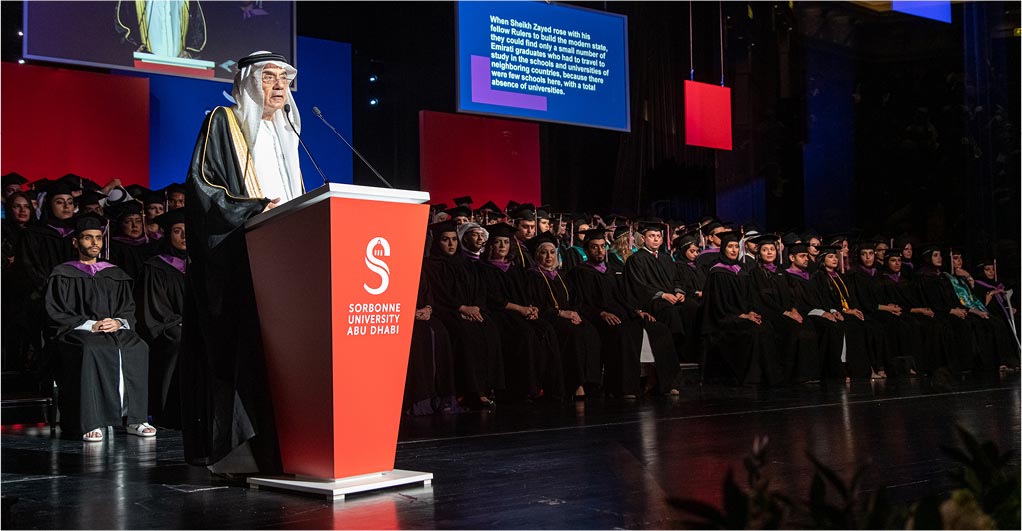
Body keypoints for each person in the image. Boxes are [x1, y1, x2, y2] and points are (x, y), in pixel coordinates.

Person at [182, 51, 304, 474]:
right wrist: (252, 209)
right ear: (249, 81)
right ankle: (241, 451)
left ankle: (288, 443)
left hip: (285, 254)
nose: (278, 86)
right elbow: (203, 188)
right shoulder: (223, 121)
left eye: (284, 79)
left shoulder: (287, 131)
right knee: (243, 352)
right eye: (269, 77)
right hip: (240, 256)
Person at [44, 213, 154, 442]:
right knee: (91, 349)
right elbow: (56, 312)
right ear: (76, 242)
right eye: (87, 237)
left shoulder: (114, 274)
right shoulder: (63, 274)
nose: (94, 242)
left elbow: (127, 308)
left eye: (97, 238)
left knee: (138, 346)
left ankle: (135, 418)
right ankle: (91, 421)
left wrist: (118, 322)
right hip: (78, 332)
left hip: (114, 330)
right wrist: (90, 325)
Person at [567, 228, 679, 397]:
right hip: (598, 319)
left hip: (622, 314)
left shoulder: (611, 271)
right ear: (587, 250)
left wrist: (637, 311)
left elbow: (622, 297)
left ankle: (665, 383)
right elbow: (579, 304)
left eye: (602, 246)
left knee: (659, 329)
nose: (599, 251)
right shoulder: (578, 273)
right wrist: (601, 314)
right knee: (625, 333)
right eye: (594, 247)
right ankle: (626, 388)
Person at [476, 223, 563, 401]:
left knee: (546, 330)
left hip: (520, 312)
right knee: (526, 334)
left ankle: (548, 387)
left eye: (506, 243)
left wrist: (532, 308)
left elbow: (526, 294)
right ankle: (524, 389)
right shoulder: (482, 268)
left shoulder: (516, 269)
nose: (502, 246)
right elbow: (492, 299)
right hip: (500, 314)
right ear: (490, 245)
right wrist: (521, 309)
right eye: (498, 242)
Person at [424, 220, 505, 408]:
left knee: (490, 329)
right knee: (465, 334)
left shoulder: (466, 264)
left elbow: (479, 289)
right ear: (437, 242)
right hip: (448, 312)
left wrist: (476, 307)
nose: (451, 244)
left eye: (454, 239)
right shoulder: (431, 265)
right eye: (445, 240)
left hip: (472, 310)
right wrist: (461, 308)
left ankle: (488, 387)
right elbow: (438, 294)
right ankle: (471, 391)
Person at [524, 232, 602, 399]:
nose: (549, 256)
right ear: (537, 255)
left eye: (552, 252)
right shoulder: (532, 276)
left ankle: (591, 382)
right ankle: (575, 384)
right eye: (544, 252)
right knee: (572, 333)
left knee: (590, 331)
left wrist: (575, 313)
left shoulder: (562, 276)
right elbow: (535, 304)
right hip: (549, 318)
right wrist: (560, 313)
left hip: (569, 316)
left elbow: (575, 300)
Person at [700, 232, 781, 385]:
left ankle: (768, 378)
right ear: (723, 249)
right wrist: (741, 316)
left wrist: (750, 312)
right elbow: (717, 305)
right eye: (730, 247)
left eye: (736, 247)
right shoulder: (717, 272)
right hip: (724, 320)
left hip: (743, 316)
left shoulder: (742, 270)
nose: (734, 250)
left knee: (766, 327)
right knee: (754, 331)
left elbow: (750, 298)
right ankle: (750, 378)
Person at [747, 234, 821, 384]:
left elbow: (794, 294)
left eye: (772, 249)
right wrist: (784, 312)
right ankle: (793, 375)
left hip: (788, 312)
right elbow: (762, 298)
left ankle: (809, 373)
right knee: (794, 330)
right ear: (759, 253)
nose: (769, 253)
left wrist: (794, 309)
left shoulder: (783, 272)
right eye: (765, 250)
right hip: (770, 313)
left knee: (808, 326)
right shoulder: (755, 273)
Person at [141, 209, 188, 428]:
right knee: (179, 338)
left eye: (188, 231)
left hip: (194, 325)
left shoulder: (201, 264)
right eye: (178, 231)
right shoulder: (156, 266)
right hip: (168, 329)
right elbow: (156, 309)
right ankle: (169, 413)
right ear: (169, 235)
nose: (184, 237)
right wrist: (178, 322)